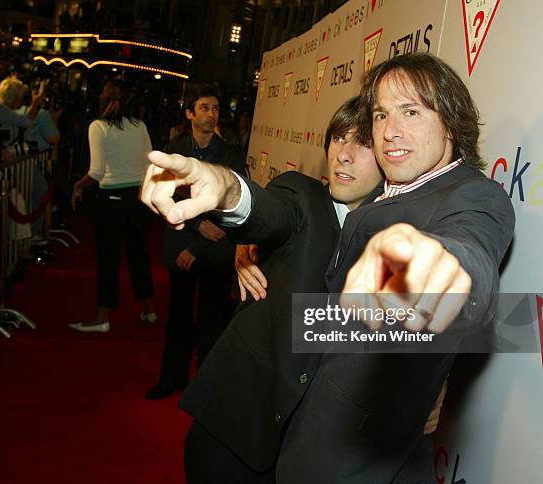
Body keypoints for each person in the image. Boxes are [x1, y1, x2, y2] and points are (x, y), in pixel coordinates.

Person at [140, 53, 515, 482]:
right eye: (380, 115)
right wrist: (229, 193)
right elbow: (281, 221)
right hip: (278, 443)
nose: (389, 132)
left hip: (357, 465)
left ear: (451, 119)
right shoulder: (368, 196)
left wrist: (432, 276)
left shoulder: (472, 197)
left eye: (410, 112)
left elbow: (470, 263)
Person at [144, 86, 245, 400]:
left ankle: (205, 386)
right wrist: (195, 227)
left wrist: (199, 243)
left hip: (215, 251)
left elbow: (233, 203)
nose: (210, 114)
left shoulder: (231, 155)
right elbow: (162, 200)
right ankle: (172, 378)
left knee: (213, 319)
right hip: (180, 246)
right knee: (178, 316)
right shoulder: (172, 152)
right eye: (203, 107)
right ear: (189, 113)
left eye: (214, 108)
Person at [69, 79, 156, 332]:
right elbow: (151, 162)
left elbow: (95, 172)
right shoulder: (139, 125)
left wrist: (77, 186)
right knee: (139, 254)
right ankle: (150, 310)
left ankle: (102, 317)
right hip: (138, 199)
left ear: (103, 98)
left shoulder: (98, 126)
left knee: (109, 258)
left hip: (112, 200)